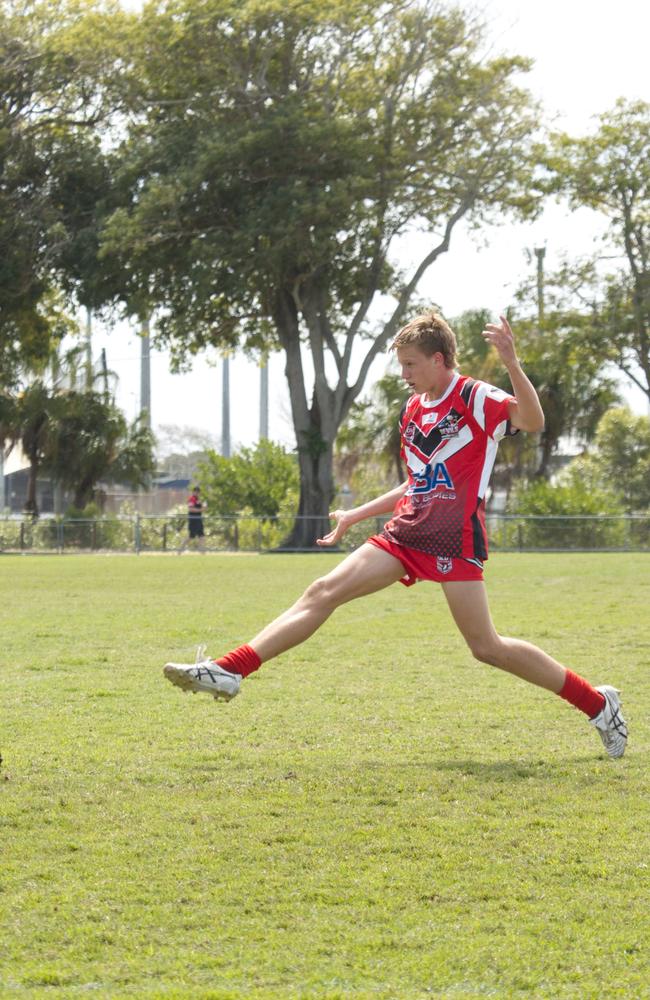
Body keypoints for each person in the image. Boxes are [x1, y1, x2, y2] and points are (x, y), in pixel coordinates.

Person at [164, 312, 627, 758]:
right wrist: (354, 516)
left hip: (453, 537)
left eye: (410, 364)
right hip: (406, 532)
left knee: (486, 647)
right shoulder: (412, 409)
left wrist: (511, 362)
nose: (404, 373)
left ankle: (597, 703)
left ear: (439, 360)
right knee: (323, 590)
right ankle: (230, 670)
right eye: (401, 364)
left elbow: (533, 421)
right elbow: (416, 482)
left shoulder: (475, 396)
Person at [178, 486, 206, 554]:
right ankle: (180, 550)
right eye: (195, 491)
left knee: (201, 535)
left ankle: (202, 551)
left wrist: (204, 506)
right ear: (193, 492)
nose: (197, 493)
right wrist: (201, 509)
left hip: (199, 519)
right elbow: (191, 509)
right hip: (193, 520)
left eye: (198, 492)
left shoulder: (198, 499)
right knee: (191, 536)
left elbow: (202, 507)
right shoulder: (192, 499)